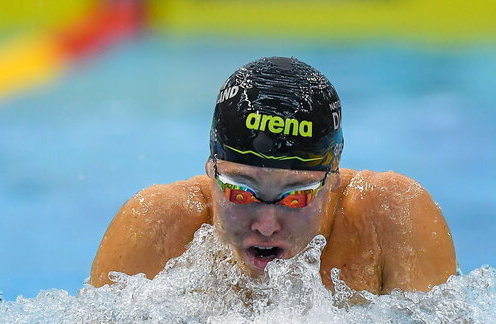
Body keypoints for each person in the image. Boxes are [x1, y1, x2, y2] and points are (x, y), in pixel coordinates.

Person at [88, 56, 456, 294]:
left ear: (334, 180)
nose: (266, 225)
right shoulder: (158, 221)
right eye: (241, 193)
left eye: (296, 196)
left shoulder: (390, 214)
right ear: (211, 171)